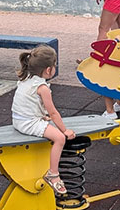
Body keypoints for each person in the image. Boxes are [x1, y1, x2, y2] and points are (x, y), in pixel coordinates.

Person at [12, 45, 75, 195]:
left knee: (49, 125)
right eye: (55, 66)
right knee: (59, 138)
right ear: (48, 70)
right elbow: (53, 113)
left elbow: (29, 103)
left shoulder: (27, 79)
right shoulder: (42, 88)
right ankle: (53, 174)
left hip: (18, 119)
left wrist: (41, 116)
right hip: (28, 123)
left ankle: (53, 172)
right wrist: (65, 130)